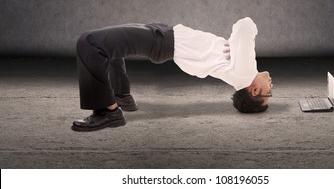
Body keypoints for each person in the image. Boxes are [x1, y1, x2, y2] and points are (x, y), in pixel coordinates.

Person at [72, 17, 273, 132]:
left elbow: (245, 25)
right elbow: (241, 30)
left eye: (268, 93)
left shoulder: (246, 74)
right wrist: (236, 41)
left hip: (162, 41)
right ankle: (122, 96)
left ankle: (109, 111)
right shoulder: (240, 72)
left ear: (254, 91)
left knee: (88, 42)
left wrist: (236, 39)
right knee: (110, 46)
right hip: (165, 38)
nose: (271, 85)